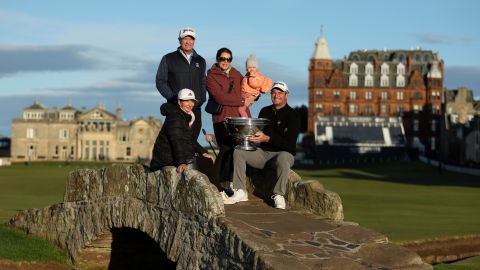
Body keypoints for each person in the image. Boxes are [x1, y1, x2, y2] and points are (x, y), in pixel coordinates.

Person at [225, 81, 300, 209]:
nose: (276, 95)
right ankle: (240, 191)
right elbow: (258, 132)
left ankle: (278, 195)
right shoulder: (264, 111)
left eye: (280, 93)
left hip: (282, 154)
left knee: (283, 158)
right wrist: (246, 134)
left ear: (286, 95)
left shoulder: (293, 115)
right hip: (262, 154)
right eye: (274, 92)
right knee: (239, 151)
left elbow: (290, 145)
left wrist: (267, 139)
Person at [206, 47, 248, 196]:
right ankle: (216, 184)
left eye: (228, 59)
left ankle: (228, 183)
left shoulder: (237, 74)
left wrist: (254, 95)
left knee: (235, 150)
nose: (225, 61)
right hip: (221, 118)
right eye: (222, 58)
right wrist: (242, 100)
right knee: (225, 148)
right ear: (217, 59)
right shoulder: (211, 76)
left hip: (237, 117)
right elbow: (220, 98)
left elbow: (247, 88)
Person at [155, 27, 206, 140]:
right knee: (176, 141)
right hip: (176, 108)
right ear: (179, 40)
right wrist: (174, 98)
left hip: (195, 108)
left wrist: (201, 99)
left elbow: (203, 82)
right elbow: (160, 81)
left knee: (192, 142)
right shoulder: (168, 58)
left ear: (194, 41)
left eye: (191, 39)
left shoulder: (201, 61)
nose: (188, 42)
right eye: (185, 39)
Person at [149, 88, 213, 174]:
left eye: (192, 101)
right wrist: (181, 162)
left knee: (207, 160)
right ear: (179, 102)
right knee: (205, 163)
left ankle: (213, 187)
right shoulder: (175, 118)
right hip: (165, 159)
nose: (190, 104)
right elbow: (176, 141)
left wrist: (203, 152)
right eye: (187, 101)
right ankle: (213, 187)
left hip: (172, 156)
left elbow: (190, 140)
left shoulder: (184, 116)